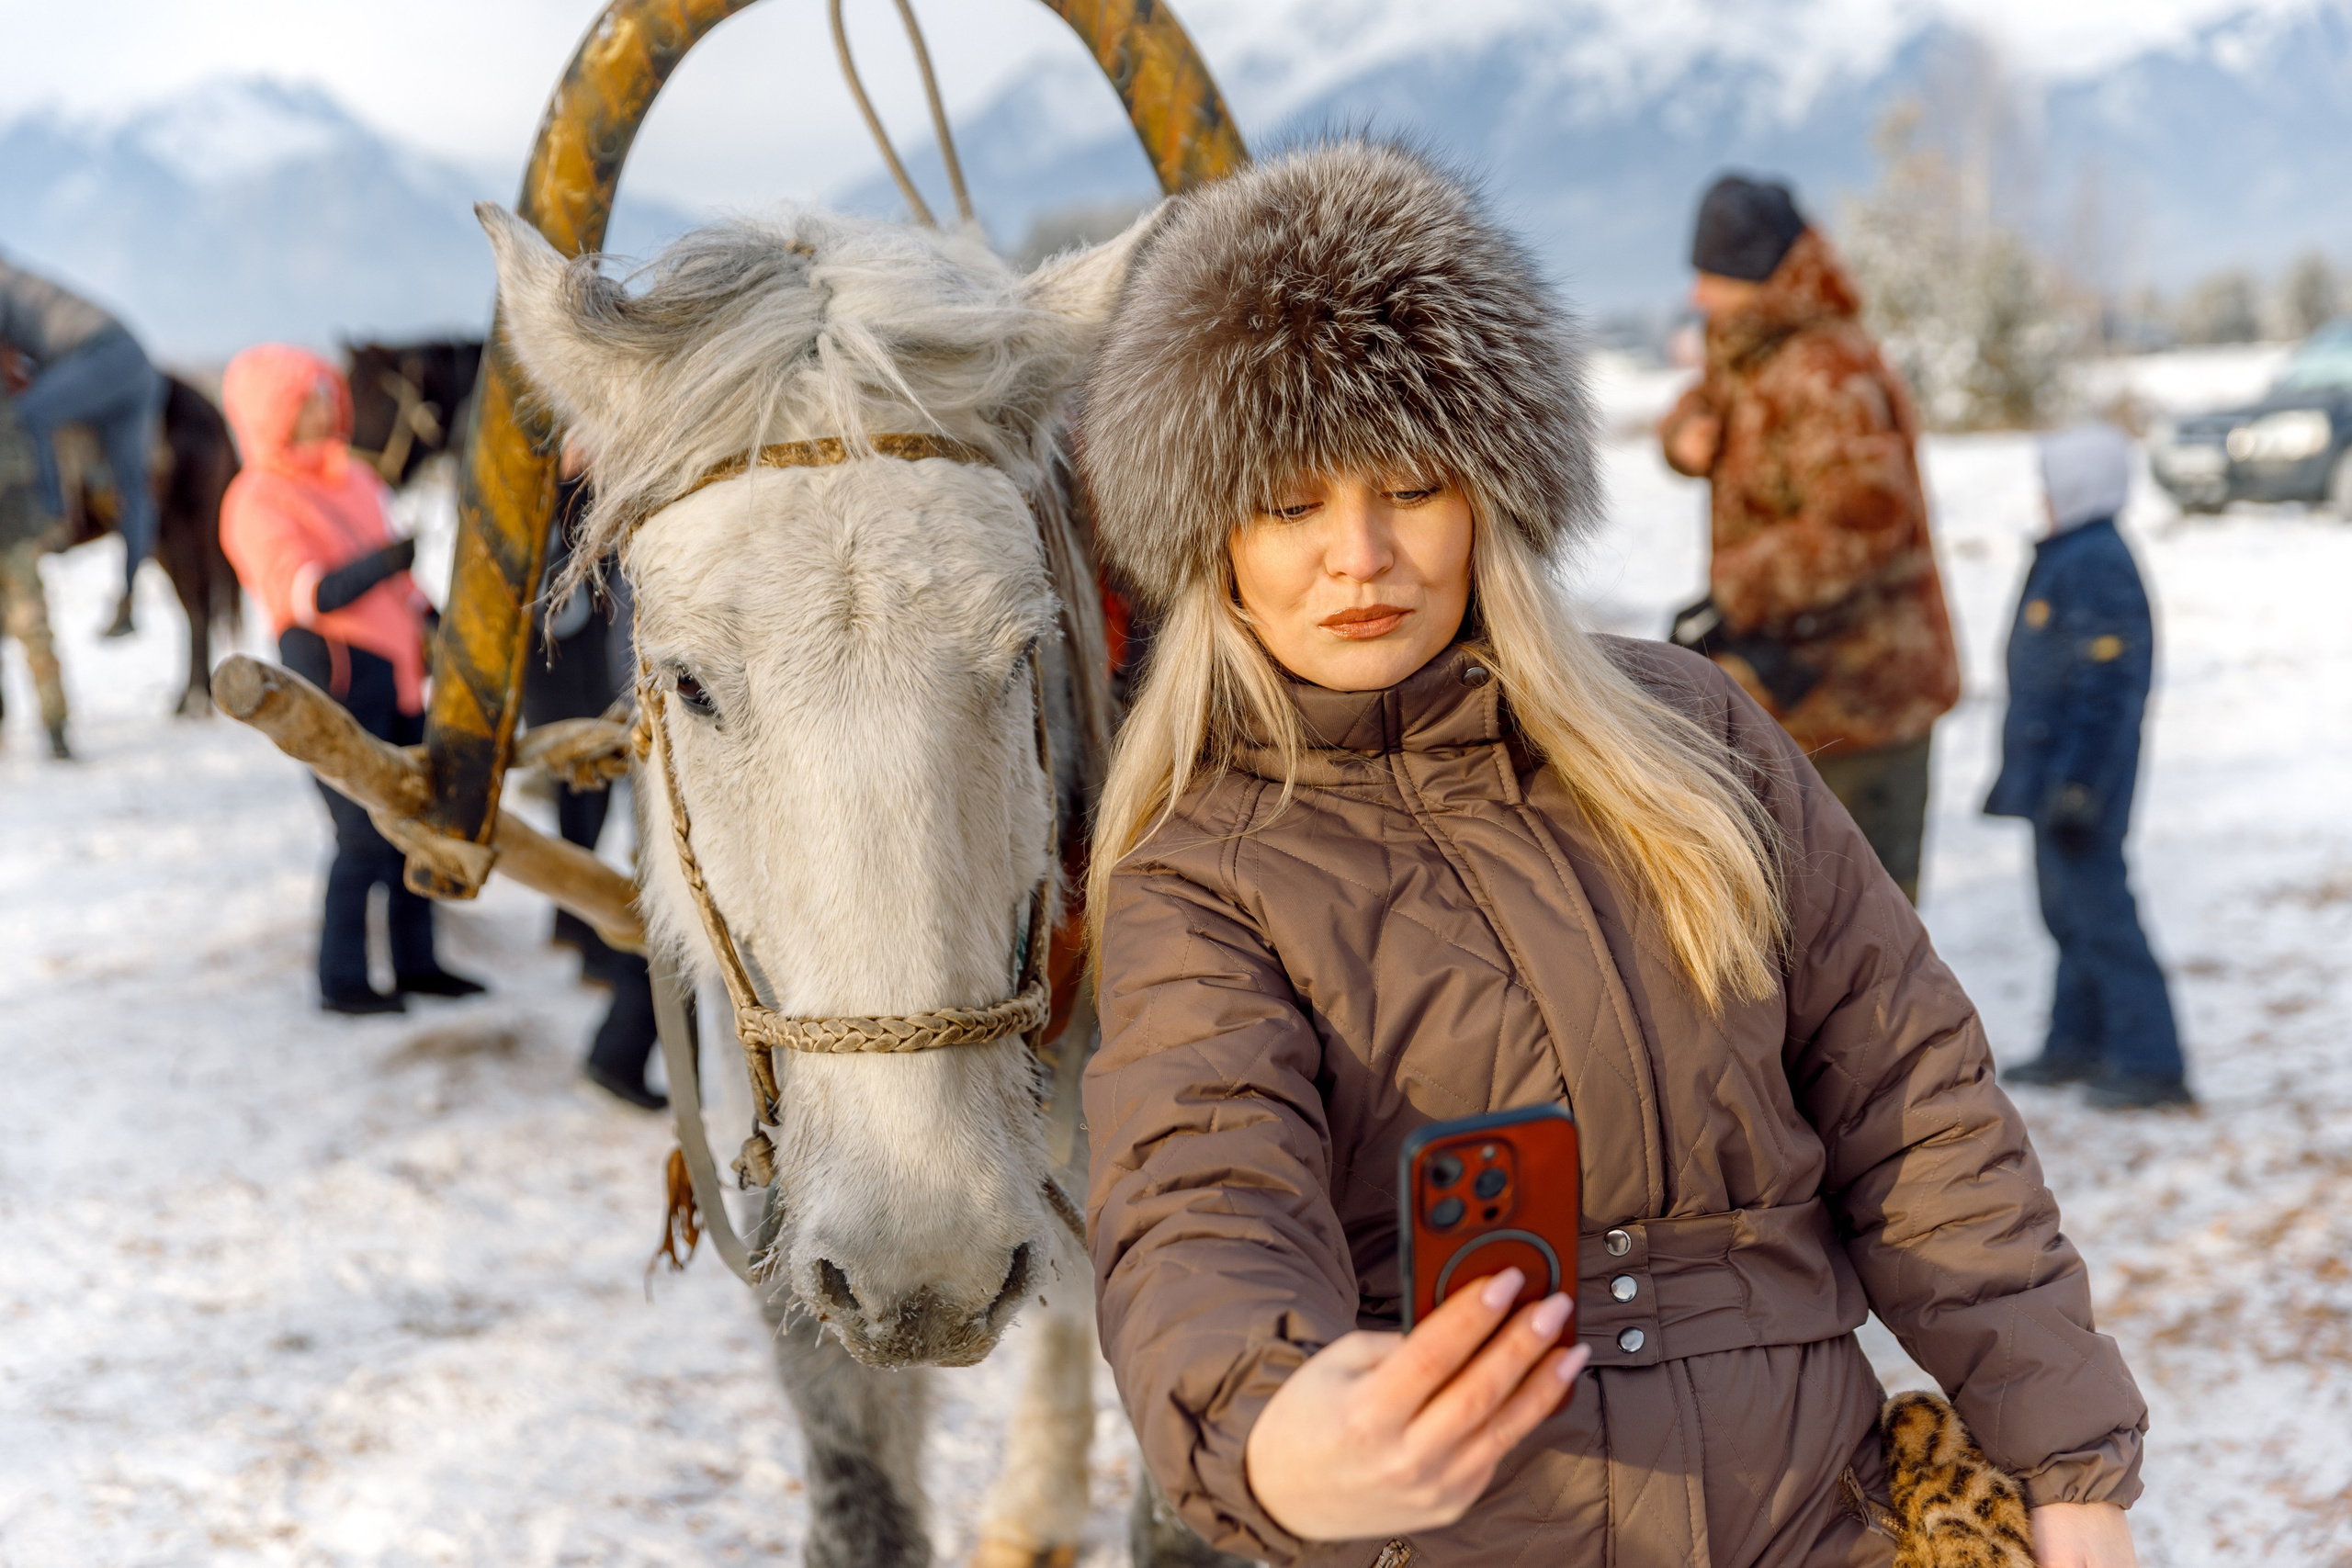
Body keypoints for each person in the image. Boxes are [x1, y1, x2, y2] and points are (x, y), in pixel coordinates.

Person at [1077, 142, 2144, 1568]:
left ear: (1492, 494)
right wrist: (1271, 1422)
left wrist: (2062, 1456)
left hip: (1823, 1519)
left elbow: (1912, 1098)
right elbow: (1199, 1189)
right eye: (1289, 504)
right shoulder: (1202, 865)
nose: (1361, 554)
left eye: (1408, 482)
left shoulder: (1692, 731)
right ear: (1211, 541)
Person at [1657, 175, 1960, 902]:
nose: (1698, 294)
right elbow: (1702, 405)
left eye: (1713, 274)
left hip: (1865, 708)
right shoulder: (1751, 347)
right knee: (1804, 942)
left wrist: (1738, 591)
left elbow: (1861, 527)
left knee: (1868, 950)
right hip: (1799, 702)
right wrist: (1682, 438)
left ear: (1760, 272)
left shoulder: (1828, 370)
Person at [217, 344, 485, 1016]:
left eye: (322, 392)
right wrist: (384, 560)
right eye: (302, 397)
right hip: (333, 680)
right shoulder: (255, 498)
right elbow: (309, 594)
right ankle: (342, 979)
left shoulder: (356, 479)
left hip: (397, 675)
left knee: (418, 819)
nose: (322, 406)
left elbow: (397, 581)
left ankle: (417, 961)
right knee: (360, 833)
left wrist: (436, 613)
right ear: (269, 410)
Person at [1987, 425, 2190, 1111]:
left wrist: (2079, 777)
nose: (2044, 496)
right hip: (2054, 767)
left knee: (2100, 908)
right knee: (2066, 908)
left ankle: (2151, 1058)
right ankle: (2076, 1039)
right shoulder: (2070, 552)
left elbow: (2109, 682)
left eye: (2054, 483)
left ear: (2080, 486)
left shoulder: (2094, 559)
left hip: (2081, 775)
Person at [526, 457, 665, 1110]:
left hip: (626, 705)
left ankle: (622, 1046)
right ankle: (620, 1049)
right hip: (625, 710)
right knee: (672, 896)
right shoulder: (560, 504)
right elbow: (572, 614)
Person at [0, 255, 164, 638]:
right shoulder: (19, 277)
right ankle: (129, 595)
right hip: (137, 359)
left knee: (28, 415)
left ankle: (51, 516)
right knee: (134, 488)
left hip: (100, 355)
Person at [0, 384, 70, 760]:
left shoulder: (11, 414)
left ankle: (56, 729)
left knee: (36, 636)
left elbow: (21, 466)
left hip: (16, 545)